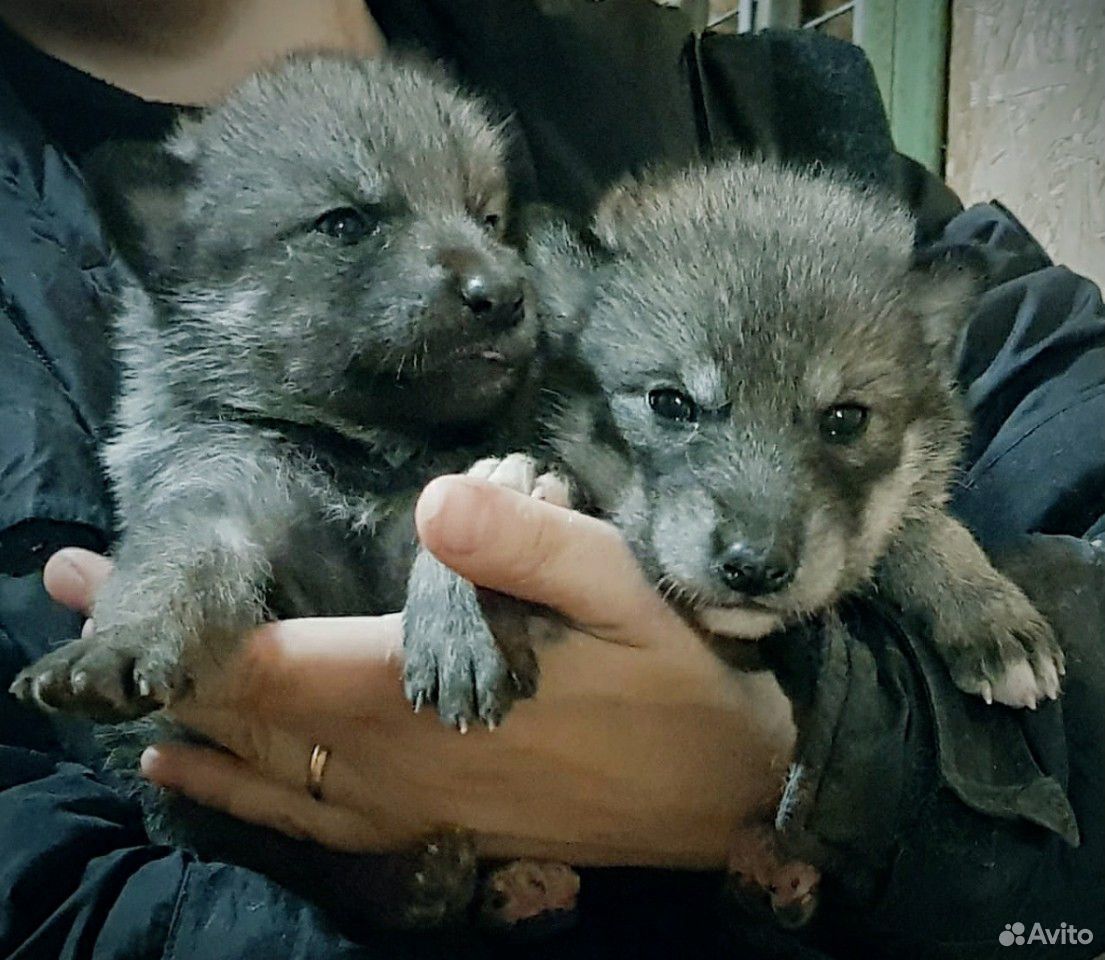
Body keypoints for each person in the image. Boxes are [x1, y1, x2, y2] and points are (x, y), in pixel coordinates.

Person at [0, 2, 1102, 959]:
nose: (490, 277)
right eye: (345, 227)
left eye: (488, 221)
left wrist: (823, 759)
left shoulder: (719, 98)